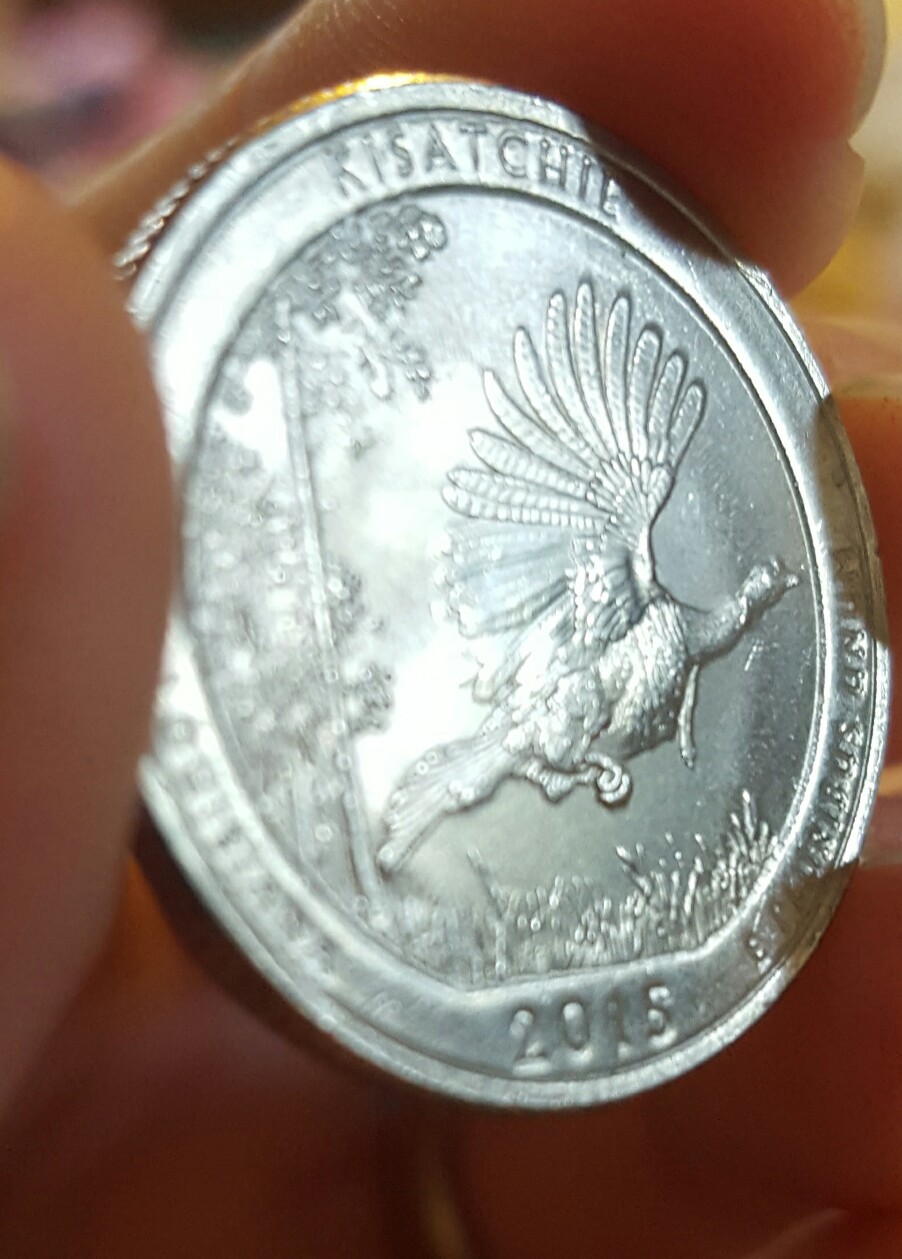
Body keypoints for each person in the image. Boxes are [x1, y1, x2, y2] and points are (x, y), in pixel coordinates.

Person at [1, 0, 901, 1254]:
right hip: (540, 717)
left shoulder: (680, 632)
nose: (741, 606)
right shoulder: (623, 571)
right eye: (741, 603)